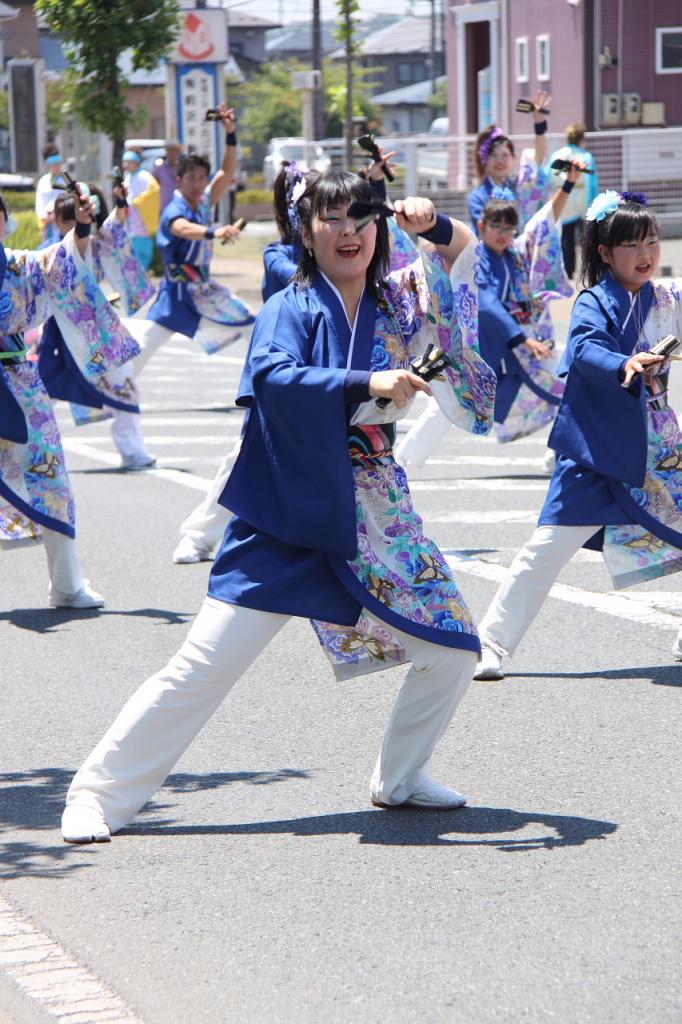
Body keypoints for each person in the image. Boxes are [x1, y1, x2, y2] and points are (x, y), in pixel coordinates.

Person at [60, 170, 498, 844]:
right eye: (331, 220)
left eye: (361, 218)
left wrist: (432, 225)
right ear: (306, 231)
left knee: (454, 645)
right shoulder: (291, 305)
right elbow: (273, 376)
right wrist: (366, 379)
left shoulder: (400, 301)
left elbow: (465, 262)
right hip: (287, 511)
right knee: (204, 664)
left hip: (375, 518)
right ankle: (98, 794)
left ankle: (400, 777)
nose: (348, 232)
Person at [474, 190, 682, 680]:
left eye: (651, 240)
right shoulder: (593, 300)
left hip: (655, 449)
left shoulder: (668, 298)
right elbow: (585, 349)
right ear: (605, 253)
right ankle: (492, 644)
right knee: (544, 551)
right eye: (632, 244)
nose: (646, 253)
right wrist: (625, 362)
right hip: (592, 451)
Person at [172, 147, 398, 566]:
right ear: (303, 221)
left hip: (326, 383)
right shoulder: (281, 260)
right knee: (247, 457)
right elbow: (304, 281)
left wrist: (377, 187)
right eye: (327, 214)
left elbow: (375, 238)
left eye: (352, 215)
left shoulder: (350, 265)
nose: (345, 225)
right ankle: (199, 534)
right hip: (287, 374)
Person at [0, 189, 140, 608]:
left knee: (52, 478)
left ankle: (66, 585)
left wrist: (82, 226)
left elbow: (60, 262)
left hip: (19, 382)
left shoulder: (16, 265)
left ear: (5, 221)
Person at [397, 165, 585, 470]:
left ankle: (561, 454)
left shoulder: (516, 254)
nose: (504, 233)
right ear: (482, 226)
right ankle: (405, 459)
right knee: (447, 403)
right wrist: (522, 337)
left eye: (509, 228)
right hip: (479, 343)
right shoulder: (475, 257)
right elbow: (483, 300)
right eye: (496, 226)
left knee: (566, 385)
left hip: (515, 345)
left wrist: (569, 184)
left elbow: (544, 221)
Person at [468, 92, 552, 235]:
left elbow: (538, 159)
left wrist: (539, 124)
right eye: (493, 155)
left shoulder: (519, 186)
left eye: (505, 155)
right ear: (484, 160)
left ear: (514, 158)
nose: (500, 161)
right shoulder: (477, 197)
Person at [548, 123, 600, 279]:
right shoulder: (586, 157)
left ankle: (569, 271)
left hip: (564, 200)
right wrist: (593, 202)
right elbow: (593, 183)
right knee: (587, 238)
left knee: (566, 238)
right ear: (581, 138)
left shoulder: (557, 156)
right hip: (582, 201)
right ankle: (588, 269)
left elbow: (550, 177)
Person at [122, 150, 158, 270]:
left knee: (142, 249)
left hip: (141, 217)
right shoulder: (127, 176)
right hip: (130, 218)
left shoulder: (144, 176)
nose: (126, 165)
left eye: (129, 162)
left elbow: (155, 191)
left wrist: (138, 201)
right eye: (125, 162)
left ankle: (143, 272)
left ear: (136, 163)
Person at [34, 144, 67, 246]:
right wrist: (45, 220)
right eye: (54, 163)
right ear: (48, 164)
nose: (57, 166)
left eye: (58, 162)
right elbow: (39, 204)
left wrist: (57, 215)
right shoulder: (43, 181)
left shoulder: (65, 180)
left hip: (61, 221)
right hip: (47, 225)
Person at [153, 139, 183, 214]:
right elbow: (155, 186)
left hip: (181, 207)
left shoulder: (183, 167)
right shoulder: (160, 168)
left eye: (174, 150)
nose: (171, 153)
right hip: (165, 208)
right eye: (169, 150)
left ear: (179, 151)